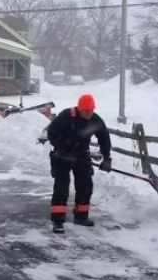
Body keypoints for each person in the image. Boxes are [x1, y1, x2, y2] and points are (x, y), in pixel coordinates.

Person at [46, 94, 112, 233]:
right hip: (61, 155)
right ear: (79, 108)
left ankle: (81, 217)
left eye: (91, 110)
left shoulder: (95, 120)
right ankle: (58, 221)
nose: (88, 113)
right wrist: (61, 148)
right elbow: (51, 132)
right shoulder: (67, 116)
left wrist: (107, 159)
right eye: (86, 110)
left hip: (81, 155)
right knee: (61, 186)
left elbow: (104, 139)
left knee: (85, 185)